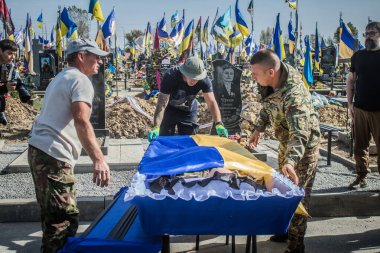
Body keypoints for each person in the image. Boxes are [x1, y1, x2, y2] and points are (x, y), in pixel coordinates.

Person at [28, 39, 110, 253]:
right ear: (81, 56)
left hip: (40, 151)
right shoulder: (80, 80)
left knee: (51, 217)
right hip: (53, 156)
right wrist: (99, 159)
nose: (100, 61)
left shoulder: (61, 77)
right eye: (95, 56)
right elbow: (81, 120)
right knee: (64, 222)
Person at [249, 49, 320, 253]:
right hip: (285, 142)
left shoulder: (294, 95)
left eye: (255, 74)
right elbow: (266, 104)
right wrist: (258, 128)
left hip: (303, 148)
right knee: (282, 188)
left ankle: (296, 247)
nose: (253, 77)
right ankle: (284, 230)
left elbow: (300, 134)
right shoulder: (270, 82)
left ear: (271, 72)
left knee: (297, 196)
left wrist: (291, 161)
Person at [148, 56, 228, 141]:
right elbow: (162, 103)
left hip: (188, 111)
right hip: (169, 109)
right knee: (164, 139)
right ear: (184, 73)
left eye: (197, 78)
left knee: (189, 141)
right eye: (192, 77)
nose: (194, 81)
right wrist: (156, 127)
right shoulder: (171, 76)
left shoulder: (204, 79)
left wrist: (219, 123)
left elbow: (211, 102)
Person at [346, 21, 380, 189]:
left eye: (372, 33)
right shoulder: (358, 56)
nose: (368, 37)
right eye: (366, 34)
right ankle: (361, 176)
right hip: (360, 108)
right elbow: (351, 80)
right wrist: (350, 103)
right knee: (360, 145)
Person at [0, 39, 23, 125]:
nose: (13, 57)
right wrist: (5, 87)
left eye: (14, 54)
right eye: (9, 53)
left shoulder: (8, 65)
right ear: (0, 50)